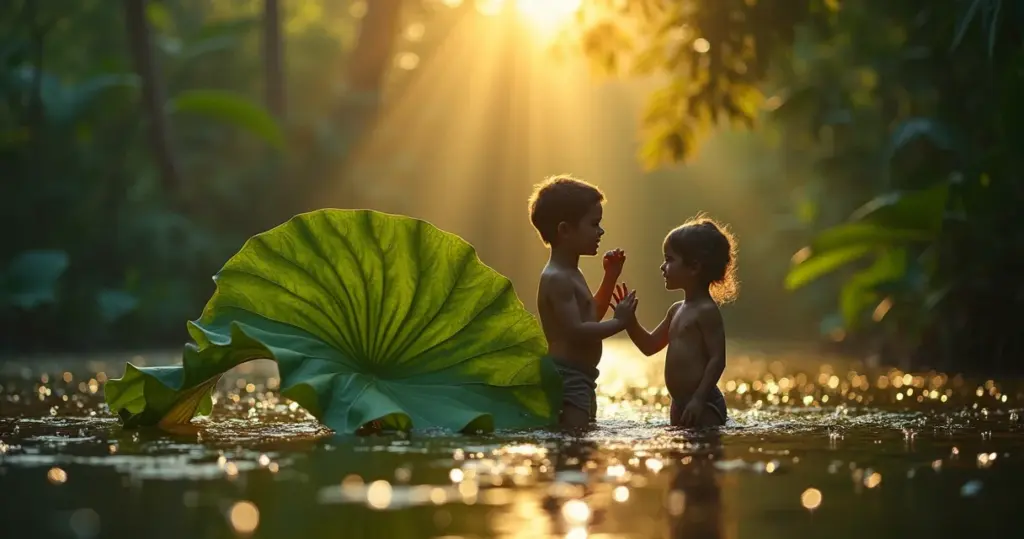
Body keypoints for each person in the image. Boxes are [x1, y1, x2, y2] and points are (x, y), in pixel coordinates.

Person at [528, 175, 637, 428]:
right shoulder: (557, 278)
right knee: (574, 442)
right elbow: (576, 331)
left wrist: (610, 277)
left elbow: (591, 316)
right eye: (594, 224)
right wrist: (620, 322)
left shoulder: (572, 272)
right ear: (565, 230)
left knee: (583, 440)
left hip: (583, 377)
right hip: (567, 377)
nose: (601, 231)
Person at [615, 214, 738, 428]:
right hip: (679, 403)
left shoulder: (706, 311)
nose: (663, 267)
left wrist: (699, 399)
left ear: (694, 267)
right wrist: (629, 321)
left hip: (705, 403)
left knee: (704, 456)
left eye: (669, 260)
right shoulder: (676, 310)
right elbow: (650, 346)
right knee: (681, 458)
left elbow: (717, 360)